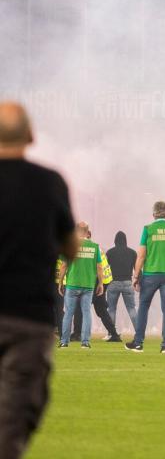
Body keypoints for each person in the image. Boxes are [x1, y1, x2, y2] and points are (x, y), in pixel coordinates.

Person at [0, 102, 77, 459]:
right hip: (28, 316)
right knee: (15, 416)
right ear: (30, 136)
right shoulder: (50, 182)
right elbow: (71, 247)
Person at [125, 200, 165, 354]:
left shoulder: (148, 229)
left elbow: (141, 255)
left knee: (143, 307)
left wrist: (136, 275)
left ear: (153, 214)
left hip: (151, 274)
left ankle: (138, 343)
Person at [58, 221, 104, 348]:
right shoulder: (95, 247)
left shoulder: (70, 245)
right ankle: (85, 342)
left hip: (73, 284)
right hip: (88, 285)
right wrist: (100, 283)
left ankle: (64, 342)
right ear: (87, 231)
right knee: (86, 313)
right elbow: (99, 267)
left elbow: (63, 265)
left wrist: (60, 282)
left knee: (68, 313)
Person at [71, 228, 121, 343]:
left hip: (98, 281)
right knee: (101, 309)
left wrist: (99, 283)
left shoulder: (88, 247)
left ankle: (77, 334)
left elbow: (94, 267)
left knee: (80, 307)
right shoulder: (95, 246)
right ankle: (114, 334)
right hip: (104, 280)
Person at [105, 231, 138, 333]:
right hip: (128, 283)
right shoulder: (132, 253)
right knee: (131, 309)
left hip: (113, 283)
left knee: (111, 309)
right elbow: (137, 269)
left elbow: (105, 269)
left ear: (115, 240)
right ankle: (139, 332)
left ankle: (111, 333)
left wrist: (104, 284)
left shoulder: (110, 252)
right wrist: (137, 282)